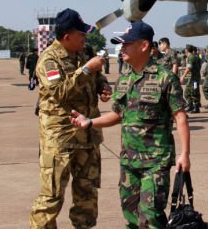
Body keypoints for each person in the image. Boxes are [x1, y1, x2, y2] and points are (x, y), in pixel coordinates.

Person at [69, 20, 191, 229]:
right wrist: (90, 122)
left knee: (151, 216)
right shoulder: (125, 78)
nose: (121, 48)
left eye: (126, 43)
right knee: (131, 216)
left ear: (144, 46)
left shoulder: (164, 77)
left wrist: (185, 154)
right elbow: (117, 114)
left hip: (155, 162)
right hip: (129, 161)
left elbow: (180, 117)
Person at [29, 8, 111, 229]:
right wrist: (85, 70)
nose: (85, 39)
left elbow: (97, 78)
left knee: (87, 194)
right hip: (61, 139)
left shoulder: (84, 55)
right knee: (51, 196)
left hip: (88, 138)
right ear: (67, 36)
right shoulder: (49, 60)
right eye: (81, 35)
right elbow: (60, 92)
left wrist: (103, 87)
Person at [180, 44, 202, 114]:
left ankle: (196, 108)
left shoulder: (192, 57)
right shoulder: (191, 56)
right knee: (187, 93)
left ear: (186, 50)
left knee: (194, 92)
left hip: (194, 79)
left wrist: (183, 76)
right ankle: (191, 105)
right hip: (191, 78)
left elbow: (189, 68)